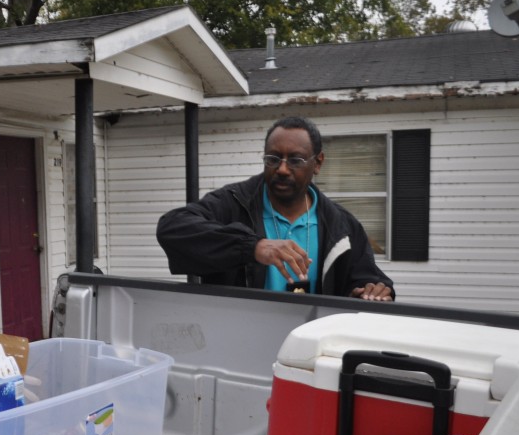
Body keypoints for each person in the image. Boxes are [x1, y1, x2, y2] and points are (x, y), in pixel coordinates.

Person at [156, 116, 394, 301]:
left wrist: (372, 291)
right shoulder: (234, 202)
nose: (282, 169)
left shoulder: (342, 225)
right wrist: (252, 247)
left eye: (295, 160)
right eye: (273, 158)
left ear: (318, 163)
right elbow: (172, 227)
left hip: (309, 344)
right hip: (239, 339)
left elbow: (366, 279)